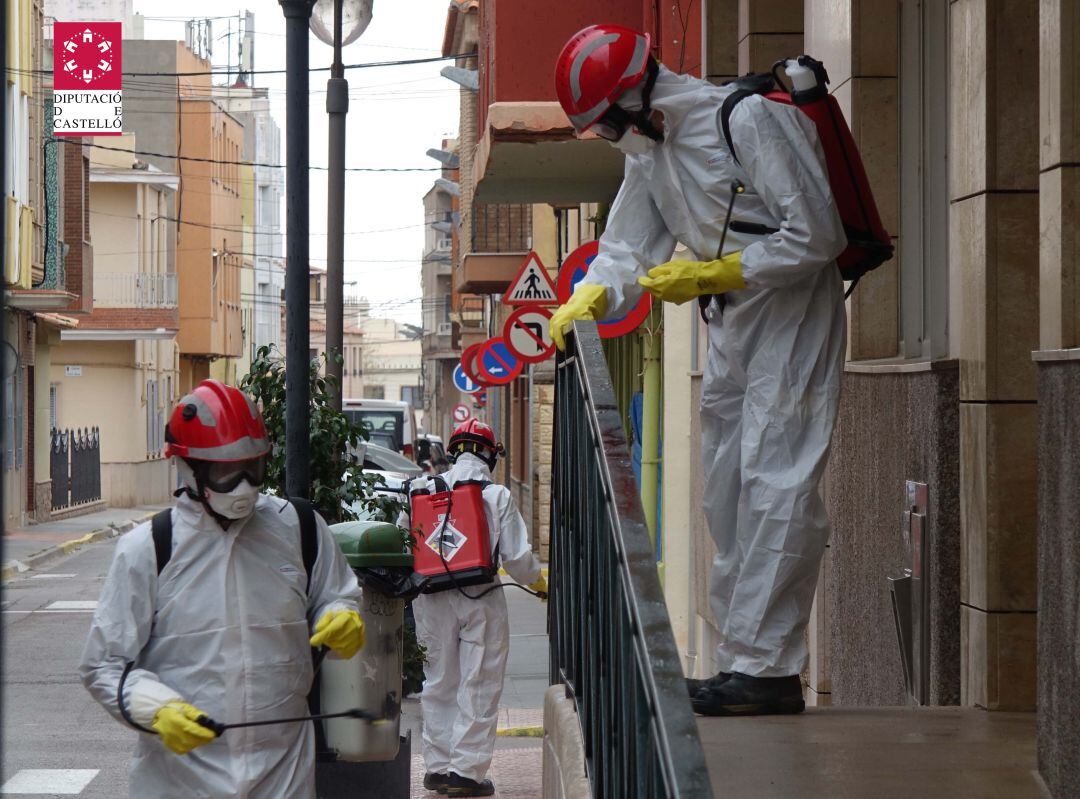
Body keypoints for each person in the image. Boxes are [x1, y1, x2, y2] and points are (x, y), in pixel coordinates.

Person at [551, 24, 847, 717]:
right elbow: (625, 250)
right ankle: (740, 657)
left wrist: (723, 268)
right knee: (726, 487)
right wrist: (591, 295)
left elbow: (818, 232)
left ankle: (768, 668)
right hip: (733, 320)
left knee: (779, 479)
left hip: (793, 311)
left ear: (631, 99)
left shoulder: (745, 120)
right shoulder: (649, 155)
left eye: (603, 125)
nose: (605, 138)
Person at [79, 379, 365, 798]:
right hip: (181, 779)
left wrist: (340, 614)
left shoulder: (298, 528)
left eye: (253, 469)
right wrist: (155, 707)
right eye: (227, 473)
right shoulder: (148, 549)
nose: (245, 486)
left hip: (282, 771)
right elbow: (103, 665)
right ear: (189, 469)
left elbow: (335, 594)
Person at [400, 419, 547, 797]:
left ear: (453, 451)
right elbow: (518, 561)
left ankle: (437, 767)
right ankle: (465, 772)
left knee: (437, 682)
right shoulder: (495, 495)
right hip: (481, 597)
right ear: (490, 454)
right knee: (478, 681)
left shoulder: (419, 489)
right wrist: (540, 584)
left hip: (430, 597)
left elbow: (404, 542)